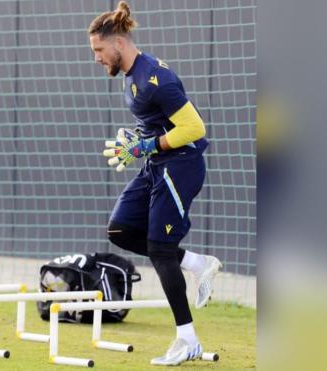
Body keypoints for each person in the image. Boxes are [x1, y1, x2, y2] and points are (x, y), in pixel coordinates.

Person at [88, 1, 222, 366]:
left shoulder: (155, 79)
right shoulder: (131, 76)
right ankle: (195, 262)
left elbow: (195, 128)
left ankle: (187, 340)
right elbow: (159, 125)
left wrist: (147, 145)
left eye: (99, 50)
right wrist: (137, 143)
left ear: (118, 43)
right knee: (119, 230)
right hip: (157, 165)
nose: (97, 58)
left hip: (181, 166)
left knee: (160, 249)